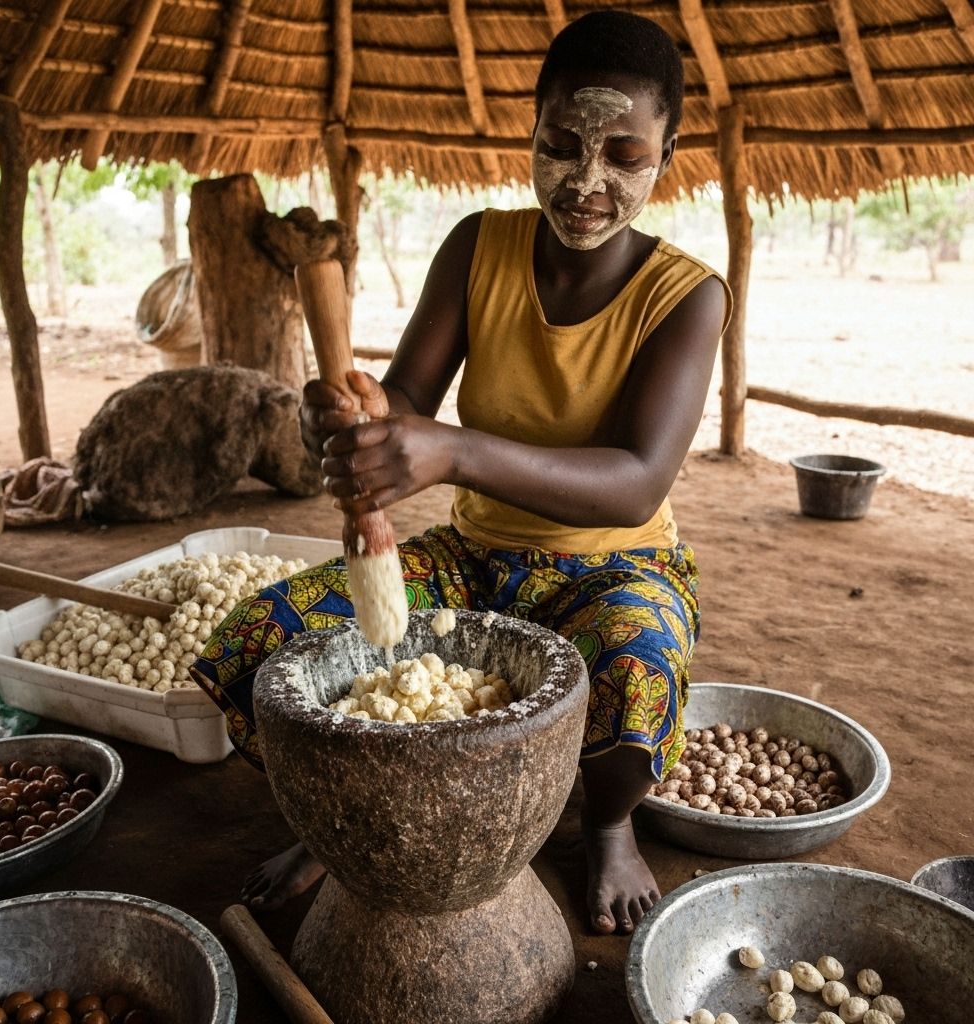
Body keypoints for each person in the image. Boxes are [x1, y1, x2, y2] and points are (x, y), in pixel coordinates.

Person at [190, 9, 731, 936]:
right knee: (263, 644)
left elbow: (639, 480)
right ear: (530, 130)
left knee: (635, 680)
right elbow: (408, 397)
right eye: (561, 144)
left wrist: (453, 450)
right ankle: (348, 817)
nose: (588, 181)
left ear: (667, 154)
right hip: (476, 559)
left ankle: (607, 826)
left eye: (624, 155)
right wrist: (365, 412)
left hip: (617, 567)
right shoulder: (480, 246)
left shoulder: (686, 297)